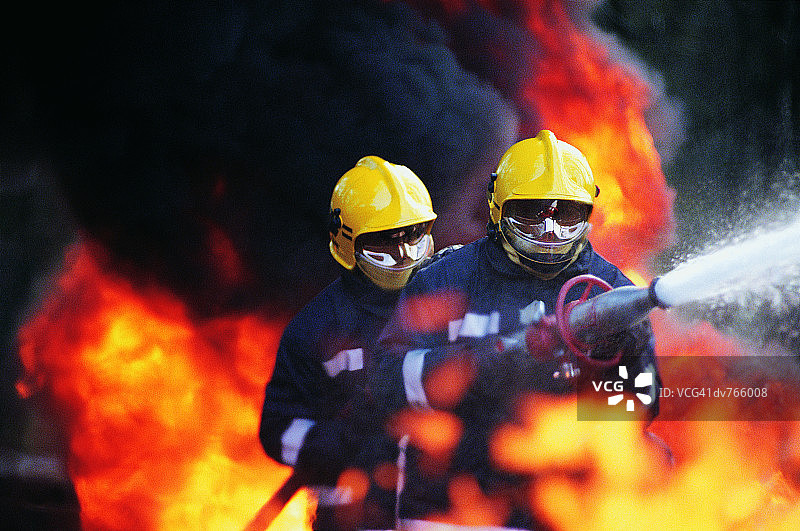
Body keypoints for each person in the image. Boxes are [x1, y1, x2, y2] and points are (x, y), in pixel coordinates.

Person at [373, 130, 662, 529]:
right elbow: (384, 380)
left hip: (557, 510)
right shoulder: (444, 279)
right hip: (444, 508)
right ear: (498, 207)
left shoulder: (608, 291)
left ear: (588, 212)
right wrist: (478, 368)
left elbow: (637, 413)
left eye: (566, 215)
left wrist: (622, 361)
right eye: (532, 213)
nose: (550, 232)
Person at [258, 155, 439, 530]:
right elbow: (277, 429)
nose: (404, 254)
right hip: (353, 516)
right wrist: (331, 444)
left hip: (442, 510)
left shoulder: (454, 295)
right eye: (385, 242)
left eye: (413, 235)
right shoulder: (316, 328)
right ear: (348, 242)